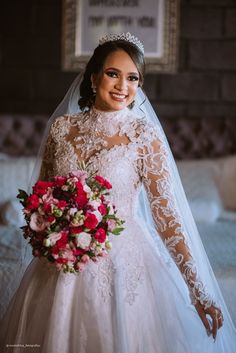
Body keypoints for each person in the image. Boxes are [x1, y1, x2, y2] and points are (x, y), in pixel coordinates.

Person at [0, 33, 235, 353]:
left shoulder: (144, 135)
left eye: (132, 77)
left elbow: (167, 218)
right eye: (113, 73)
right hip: (59, 261)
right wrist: (51, 228)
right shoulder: (62, 129)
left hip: (124, 260)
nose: (122, 85)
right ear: (94, 78)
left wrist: (198, 290)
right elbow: (43, 195)